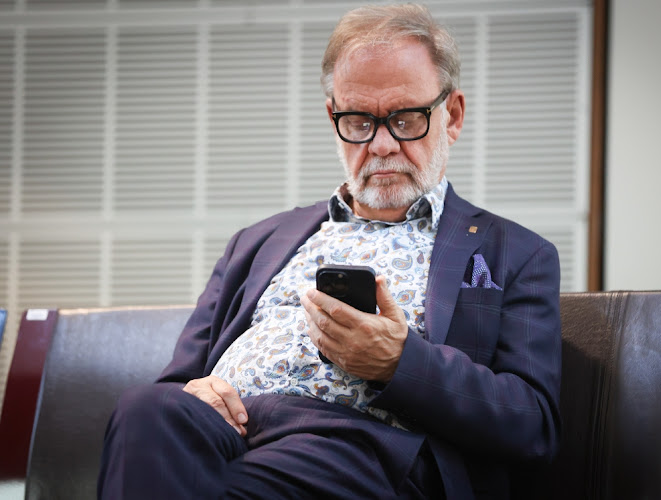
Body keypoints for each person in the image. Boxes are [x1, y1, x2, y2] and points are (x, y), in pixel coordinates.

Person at [98, 4, 561, 499]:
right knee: (145, 409)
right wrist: (196, 391)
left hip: (353, 443)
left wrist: (398, 361)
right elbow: (177, 381)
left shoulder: (515, 251)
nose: (382, 144)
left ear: (452, 116)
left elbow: (532, 422)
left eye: (405, 119)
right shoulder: (257, 241)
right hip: (221, 431)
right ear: (333, 116)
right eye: (359, 121)